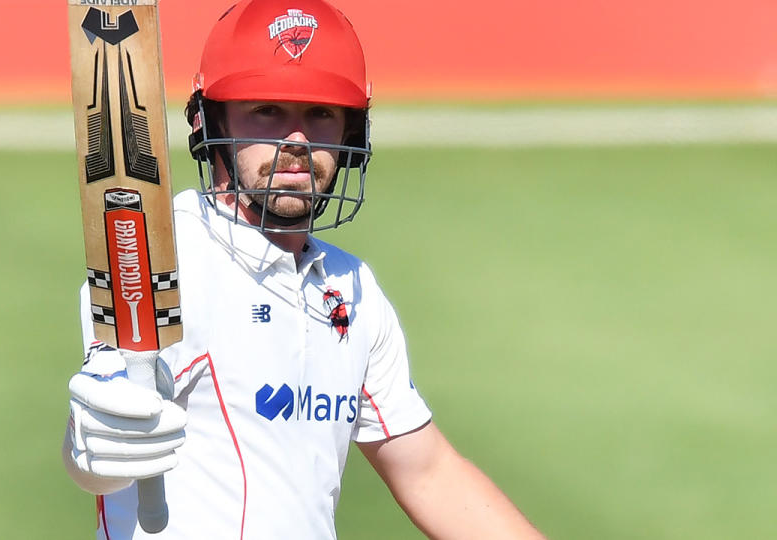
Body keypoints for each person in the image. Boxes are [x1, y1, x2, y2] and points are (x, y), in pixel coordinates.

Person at [63, 0, 546, 538]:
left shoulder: (350, 287)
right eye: (268, 110)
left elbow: (430, 473)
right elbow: (97, 447)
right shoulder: (167, 260)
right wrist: (93, 449)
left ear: (350, 134)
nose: (297, 141)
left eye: (320, 113)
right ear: (212, 121)